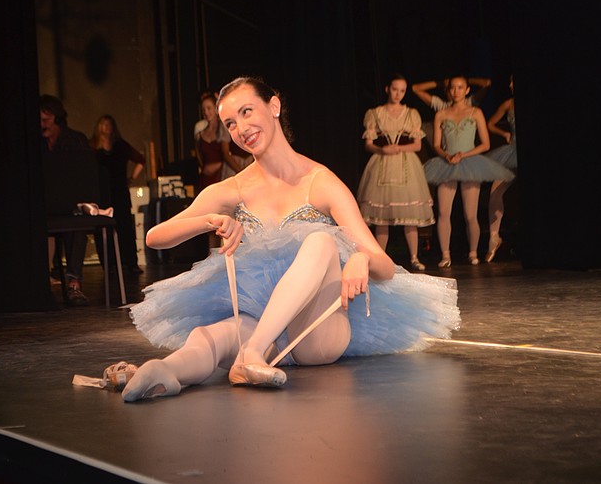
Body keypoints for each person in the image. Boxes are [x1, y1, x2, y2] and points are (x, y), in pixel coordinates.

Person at [121, 76, 460, 402]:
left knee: (322, 242)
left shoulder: (320, 181)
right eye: (229, 124)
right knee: (213, 336)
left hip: (316, 333)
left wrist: (360, 258)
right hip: (261, 320)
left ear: (274, 106)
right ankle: (161, 372)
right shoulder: (234, 189)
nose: (240, 129)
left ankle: (250, 356)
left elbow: (383, 266)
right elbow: (156, 237)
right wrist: (210, 219)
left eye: (246, 112)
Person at [423, 75, 514, 267]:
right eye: (453, 88)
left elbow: (485, 144)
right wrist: (447, 156)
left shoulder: (476, 112)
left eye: (460, 87)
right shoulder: (442, 114)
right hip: (447, 164)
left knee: (470, 214)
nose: (456, 91)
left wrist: (463, 155)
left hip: (470, 162)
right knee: (443, 212)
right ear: (448, 91)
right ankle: (445, 254)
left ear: (467, 90)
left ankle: (473, 252)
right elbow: (437, 144)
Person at [356, 74, 434, 272]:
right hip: (382, 164)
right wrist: (382, 150)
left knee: (409, 215)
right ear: (387, 89)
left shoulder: (411, 114)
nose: (398, 94)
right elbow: (368, 145)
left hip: (405, 164)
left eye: (402, 90)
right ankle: (379, 257)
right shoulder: (375, 113)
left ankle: (414, 257)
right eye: (394, 89)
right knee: (382, 215)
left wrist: (399, 149)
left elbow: (417, 145)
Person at [40, 94, 91, 305]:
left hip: (70, 206)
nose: (42, 124)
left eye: (46, 119)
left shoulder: (75, 140)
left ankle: (73, 284)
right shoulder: (33, 143)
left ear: (58, 118)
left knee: (77, 226)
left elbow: (83, 176)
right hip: (43, 207)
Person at [90, 114, 146, 275]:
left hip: (119, 191)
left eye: (109, 125)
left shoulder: (120, 145)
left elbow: (141, 160)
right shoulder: (92, 146)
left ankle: (131, 263)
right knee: (103, 230)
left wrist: (131, 178)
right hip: (101, 193)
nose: (106, 128)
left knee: (125, 228)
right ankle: (109, 266)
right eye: (103, 124)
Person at [484, 75, 517, 262]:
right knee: (495, 192)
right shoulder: (508, 104)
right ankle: (494, 237)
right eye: (510, 81)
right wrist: (504, 132)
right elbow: (490, 124)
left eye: (513, 81)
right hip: (511, 152)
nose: (510, 85)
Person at [194, 90, 238, 191]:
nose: (206, 112)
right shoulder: (199, 135)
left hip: (222, 177)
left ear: (215, 109)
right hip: (205, 180)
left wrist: (240, 172)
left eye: (209, 108)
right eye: (203, 109)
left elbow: (226, 154)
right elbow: (200, 159)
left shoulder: (223, 129)